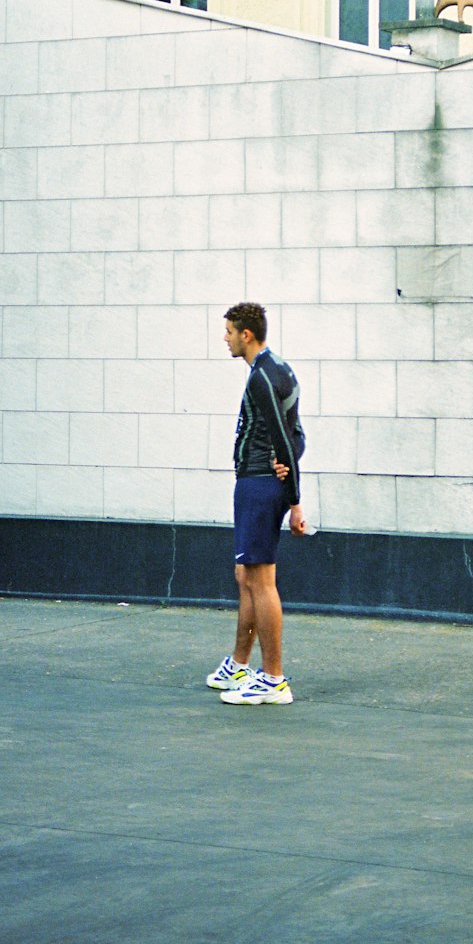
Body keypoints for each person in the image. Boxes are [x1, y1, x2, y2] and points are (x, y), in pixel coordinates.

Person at [207, 302, 306, 706]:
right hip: (260, 482)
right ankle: (241, 663)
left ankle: (274, 679)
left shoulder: (262, 377)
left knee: (261, 582)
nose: (225, 338)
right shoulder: (278, 368)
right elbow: (298, 436)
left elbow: (286, 438)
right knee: (245, 576)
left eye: (229, 331)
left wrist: (295, 499)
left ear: (247, 334)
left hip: (258, 484)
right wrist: (288, 470)